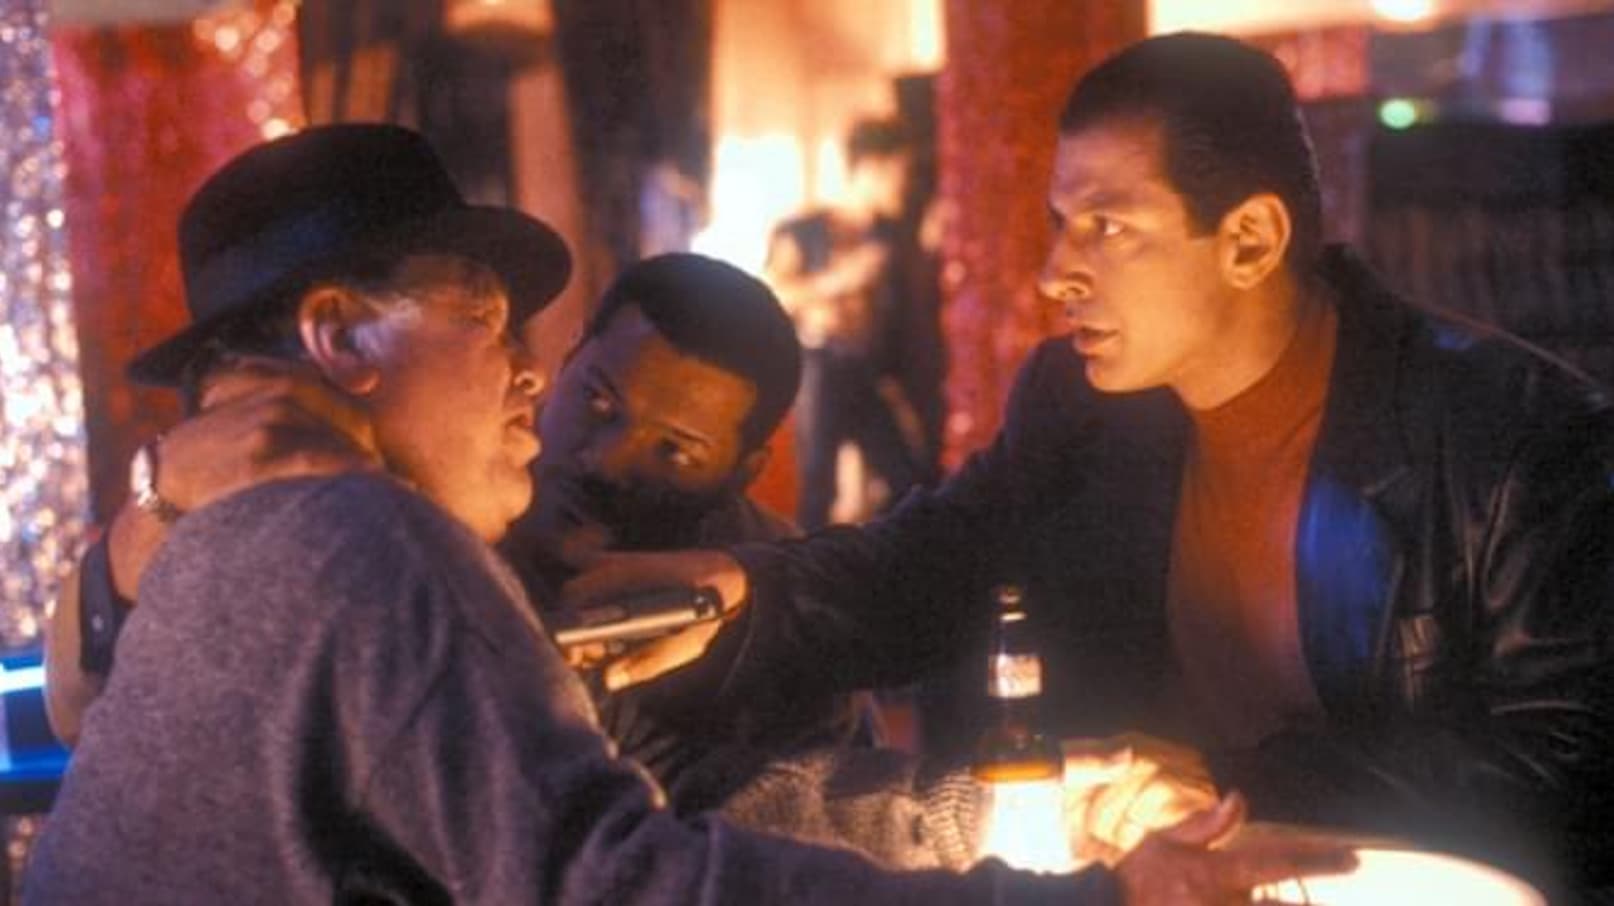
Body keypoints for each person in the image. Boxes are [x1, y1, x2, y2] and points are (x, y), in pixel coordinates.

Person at [31, 123, 1349, 904]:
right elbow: (622, 880)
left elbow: (697, 806)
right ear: (339, 336)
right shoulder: (359, 537)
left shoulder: (241, 541)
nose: (527, 377)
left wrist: (1025, 810)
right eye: (486, 323)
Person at [562, 31, 1614, 899]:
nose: (1056, 272)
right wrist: (746, 591)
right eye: (1062, 224)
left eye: (1107, 226)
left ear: (1250, 241)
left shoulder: (1513, 437)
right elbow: (936, 561)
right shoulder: (1084, 406)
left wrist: (1232, 781)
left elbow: (1567, 775)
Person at [766, 117, 932, 529]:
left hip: (866, 370)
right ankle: (805, 566)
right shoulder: (804, 231)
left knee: (909, 478)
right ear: (873, 167)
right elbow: (772, 294)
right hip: (820, 367)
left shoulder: (890, 236)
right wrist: (841, 281)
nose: (904, 185)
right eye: (899, 172)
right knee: (817, 487)